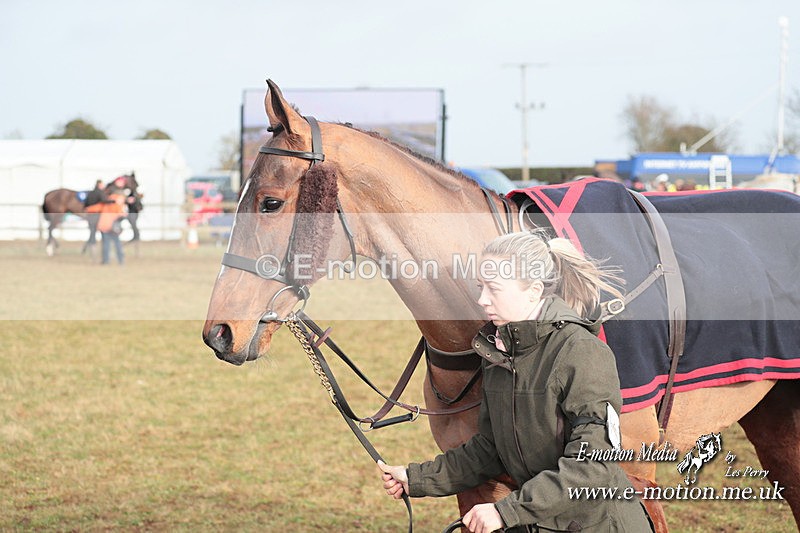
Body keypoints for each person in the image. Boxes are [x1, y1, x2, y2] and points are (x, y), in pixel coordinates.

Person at [379, 231, 653, 533]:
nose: (482, 300)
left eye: (494, 289)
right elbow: (490, 449)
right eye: (481, 287)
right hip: (538, 523)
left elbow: (593, 465)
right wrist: (415, 478)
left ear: (534, 291)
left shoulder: (581, 352)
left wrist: (507, 511)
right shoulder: (499, 353)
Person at [97, 193, 126, 265]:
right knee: (117, 243)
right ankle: (121, 261)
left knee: (106, 244)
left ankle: (106, 261)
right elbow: (122, 214)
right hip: (113, 226)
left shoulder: (107, 203)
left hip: (104, 226)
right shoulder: (118, 204)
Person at [83, 180, 109, 248]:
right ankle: (104, 249)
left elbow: (85, 204)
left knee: (92, 232)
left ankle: (90, 249)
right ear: (99, 184)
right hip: (98, 215)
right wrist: (113, 201)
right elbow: (104, 201)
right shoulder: (100, 192)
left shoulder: (90, 193)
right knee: (103, 233)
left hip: (90, 215)